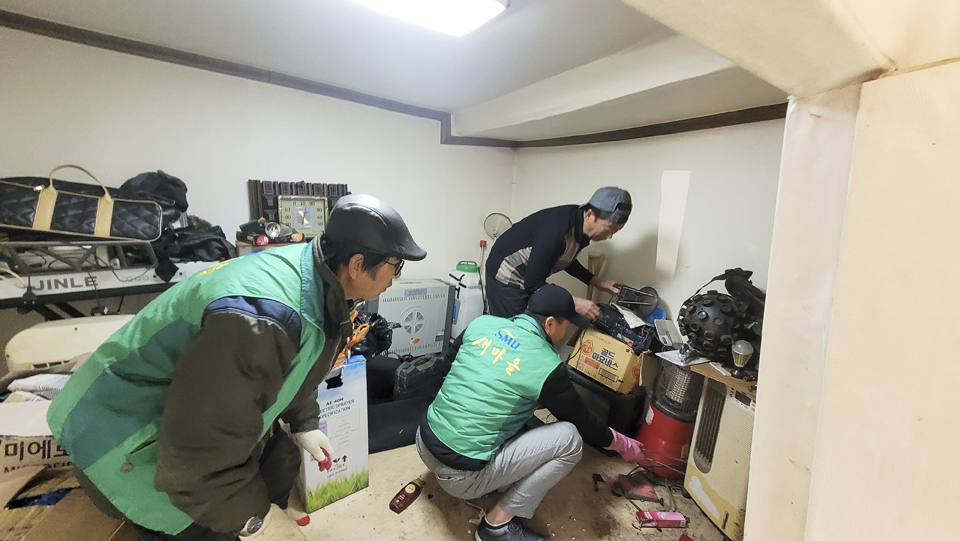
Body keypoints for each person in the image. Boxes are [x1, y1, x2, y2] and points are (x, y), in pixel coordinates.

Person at [47, 194, 426, 541]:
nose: (396, 277)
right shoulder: (260, 321)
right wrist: (257, 521)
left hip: (185, 417)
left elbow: (296, 363)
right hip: (120, 441)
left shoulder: (316, 278)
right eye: (395, 266)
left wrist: (303, 422)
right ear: (357, 265)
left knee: (281, 459)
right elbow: (197, 457)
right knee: (204, 523)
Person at [417, 284, 646, 541]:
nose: (565, 332)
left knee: (525, 417)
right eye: (566, 326)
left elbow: (446, 366)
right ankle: (496, 527)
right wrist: (621, 443)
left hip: (424, 442)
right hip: (459, 478)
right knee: (570, 440)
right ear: (550, 324)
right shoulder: (547, 365)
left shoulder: (482, 323)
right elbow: (583, 422)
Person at [484, 186, 632, 321]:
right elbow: (533, 283)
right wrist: (575, 303)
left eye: (616, 230)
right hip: (506, 273)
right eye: (609, 228)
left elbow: (564, 257)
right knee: (513, 331)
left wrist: (597, 282)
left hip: (529, 277)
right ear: (589, 214)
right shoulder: (556, 233)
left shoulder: (580, 225)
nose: (610, 235)